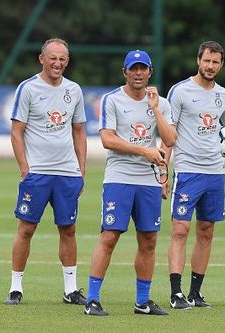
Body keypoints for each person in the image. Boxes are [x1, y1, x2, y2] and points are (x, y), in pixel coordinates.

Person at [162, 41, 225, 310]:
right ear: (198, 61)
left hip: (215, 172)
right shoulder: (180, 92)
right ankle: (176, 293)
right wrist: (163, 172)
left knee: (206, 231)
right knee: (180, 229)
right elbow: (169, 134)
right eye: (207, 61)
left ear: (221, 65)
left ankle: (195, 293)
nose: (210, 66)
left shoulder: (223, 97)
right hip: (187, 172)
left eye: (215, 62)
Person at [83, 50, 176, 316]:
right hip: (119, 177)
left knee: (148, 240)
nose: (138, 73)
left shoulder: (162, 102)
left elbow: (169, 140)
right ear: (124, 72)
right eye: (133, 68)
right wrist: (144, 151)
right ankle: (92, 299)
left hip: (148, 180)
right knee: (110, 236)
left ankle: (142, 301)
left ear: (150, 72)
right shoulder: (112, 100)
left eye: (142, 69)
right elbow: (107, 140)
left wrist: (156, 108)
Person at [4, 38, 87, 305]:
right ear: (42, 59)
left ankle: (70, 289)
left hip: (66, 173)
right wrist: (25, 169)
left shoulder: (74, 90)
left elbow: (79, 131)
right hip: (37, 173)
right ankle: (15, 288)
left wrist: (81, 170)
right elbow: (17, 132)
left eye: (62, 59)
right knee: (26, 229)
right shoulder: (28, 89)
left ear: (67, 61)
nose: (57, 63)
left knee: (69, 229)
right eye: (53, 58)